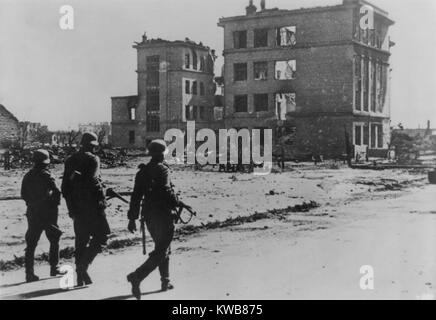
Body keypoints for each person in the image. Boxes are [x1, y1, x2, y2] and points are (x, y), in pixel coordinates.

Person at [126, 139, 188, 300]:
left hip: (148, 216)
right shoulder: (162, 169)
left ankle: (165, 281)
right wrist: (179, 202)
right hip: (163, 215)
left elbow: (136, 197)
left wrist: (132, 218)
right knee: (162, 250)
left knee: (162, 248)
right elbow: (167, 192)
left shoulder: (143, 171)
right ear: (163, 153)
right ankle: (137, 276)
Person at [61, 132, 110, 287]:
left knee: (81, 241)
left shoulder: (70, 160)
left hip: (77, 207)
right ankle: (83, 266)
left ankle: (80, 274)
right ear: (92, 146)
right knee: (102, 237)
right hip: (94, 208)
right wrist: (104, 194)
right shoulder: (93, 159)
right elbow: (94, 184)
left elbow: (65, 188)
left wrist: (71, 208)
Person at [21, 149, 63, 282]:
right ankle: (54, 267)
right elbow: (57, 192)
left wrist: (32, 203)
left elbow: (23, 194)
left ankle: (29, 273)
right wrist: (52, 205)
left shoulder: (28, 176)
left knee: (31, 243)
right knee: (54, 238)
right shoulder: (47, 175)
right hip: (47, 213)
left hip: (33, 212)